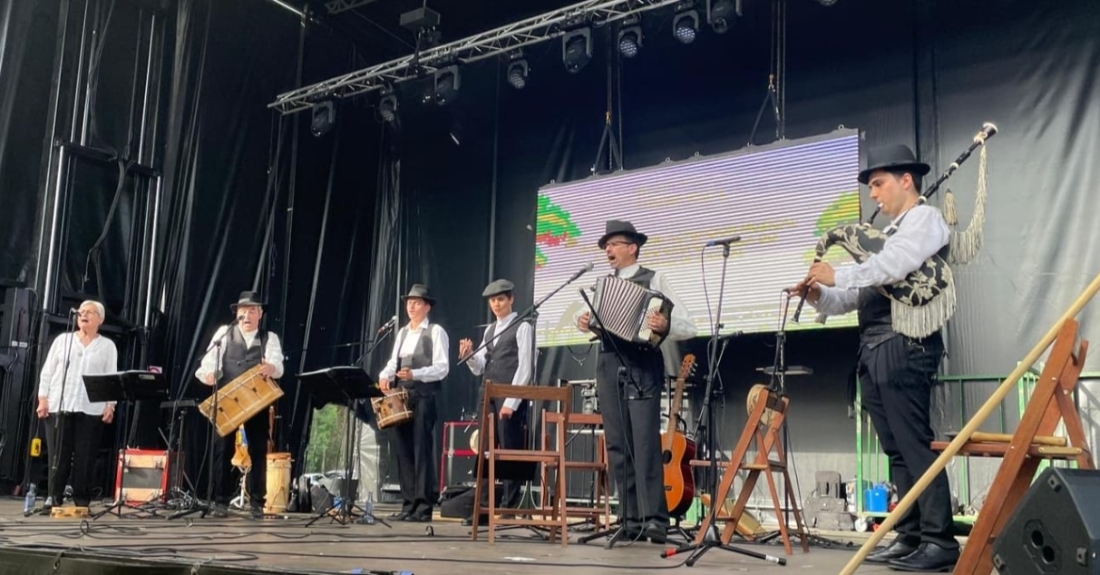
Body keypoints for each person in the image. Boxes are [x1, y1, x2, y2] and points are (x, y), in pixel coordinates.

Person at [790, 144, 959, 572]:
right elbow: (852, 297)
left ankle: (941, 541)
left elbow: (895, 267)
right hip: (875, 346)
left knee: (914, 443)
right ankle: (911, 534)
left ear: (907, 180)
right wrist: (819, 295)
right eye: (871, 187)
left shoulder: (924, 219)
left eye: (879, 184)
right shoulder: (884, 237)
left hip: (907, 343)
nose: (874, 195)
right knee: (895, 449)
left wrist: (838, 271)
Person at [577, 220, 697, 543]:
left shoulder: (655, 279)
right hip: (608, 363)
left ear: (632, 247)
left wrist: (664, 323)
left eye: (614, 244)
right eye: (606, 246)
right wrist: (587, 323)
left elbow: (688, 324)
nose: (608, 250)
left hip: (643, 364)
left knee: (645, 442)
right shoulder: (604, 285)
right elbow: (599, 325)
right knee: (617, 443)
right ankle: (628, 518)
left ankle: (655, 518)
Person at [195, 291, 284, 519]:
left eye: (252, 310)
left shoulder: (269, 337)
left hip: (256, 401)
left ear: (260, 314)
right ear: (237, 313)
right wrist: (208, 374)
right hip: (228, 400)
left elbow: (278, 364)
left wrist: (271, 368)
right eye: (243, 311)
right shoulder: (224, 333)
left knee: (257, 450)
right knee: (222, 449)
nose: (247, 314)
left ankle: (256, 503)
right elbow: (208, 362)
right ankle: (220, 501)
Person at [458, 279, 534, 525]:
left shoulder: (522, 326)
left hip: (509, 397)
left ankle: (509, 507)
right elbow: (479, 366)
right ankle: (482, 507)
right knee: (485, 451)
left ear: (511, 299)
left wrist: (511, 402)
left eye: (501, 299)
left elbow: (525, 368)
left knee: (510, 452)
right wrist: (469, 356)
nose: (496, 304)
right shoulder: (490, 330)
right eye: (493, 300)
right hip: (487, 396)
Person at [36, 300, 118, 509]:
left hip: (90, 408)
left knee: (85, 456)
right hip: (59, 405)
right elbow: (47, 371)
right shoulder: (63, 340)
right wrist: (43, 399)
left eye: (90, 312)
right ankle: (54, 497)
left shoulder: (107, 346)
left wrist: (110, 405)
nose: (84, 315)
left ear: (100, 319)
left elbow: (111, 377)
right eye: (81, 312)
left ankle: (81, 501)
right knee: (58, 456)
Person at [378, 284, 450, 522]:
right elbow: (393, 363)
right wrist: (385, 375)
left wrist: (416, 374)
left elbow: (442, 368)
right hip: (401, 397)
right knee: (403, 450)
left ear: (427, 307)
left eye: (417, 302)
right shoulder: (402, 333)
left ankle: (423, 506)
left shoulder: (435, 332)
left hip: (423, 396)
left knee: (421, 450)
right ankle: (408, 504)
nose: (411, 306)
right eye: (409, 302)